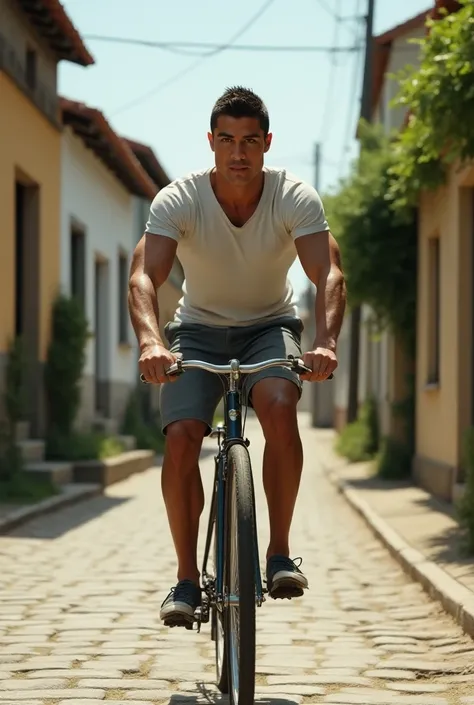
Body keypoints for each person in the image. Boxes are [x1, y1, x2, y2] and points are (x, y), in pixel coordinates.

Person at [128, 86, 346, 628]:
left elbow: (329, 273)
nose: (238, 153)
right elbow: (143, 276)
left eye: (250, 140)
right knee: (180, 437)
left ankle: (277, 554)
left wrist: (326, 342)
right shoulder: (179, 199)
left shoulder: (294, 197)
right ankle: (184, 579)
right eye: (226, 139)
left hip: (269, 328)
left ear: (267, 143)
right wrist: (152, 341)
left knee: (277, 405)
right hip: (197, 332)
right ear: (211, 142)